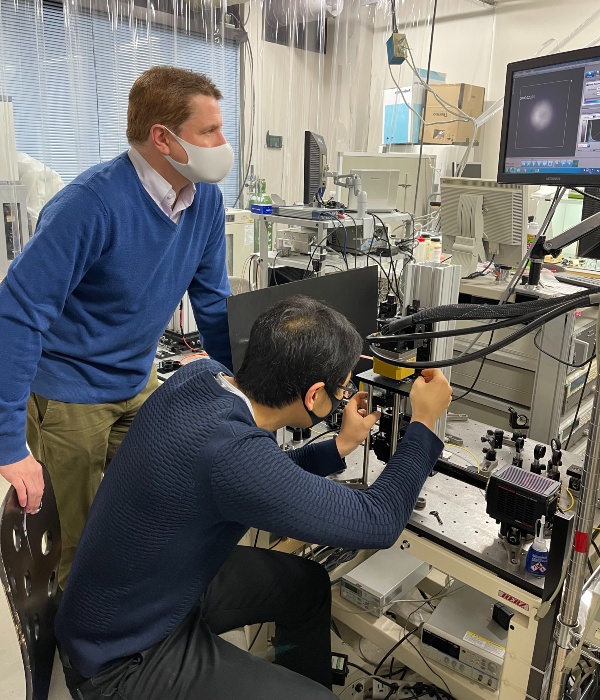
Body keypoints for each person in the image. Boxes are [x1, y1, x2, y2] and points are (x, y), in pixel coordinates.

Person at [55, 295, 452, 700]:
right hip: (121, 656)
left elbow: (260, 476)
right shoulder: (232, 455)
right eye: (343, 388)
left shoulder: (200, 378)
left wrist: (339, 446)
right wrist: (424, 422)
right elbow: (380, 519)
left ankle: (297, 678)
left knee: (308, 586)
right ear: (315, 396)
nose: (346, 396)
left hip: (149, 592)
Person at [0, 66, 234, 587]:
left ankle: (127, 618)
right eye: (209, 131)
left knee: (154, 505)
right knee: (72, 545)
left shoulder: (205, 202)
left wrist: (243, 387)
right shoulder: (90, 205)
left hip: (136, 380)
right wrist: (9, 444)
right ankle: (76, 657)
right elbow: (17, 313)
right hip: (67, 395)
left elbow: (214, 303)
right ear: (163, 139)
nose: (223, 144)